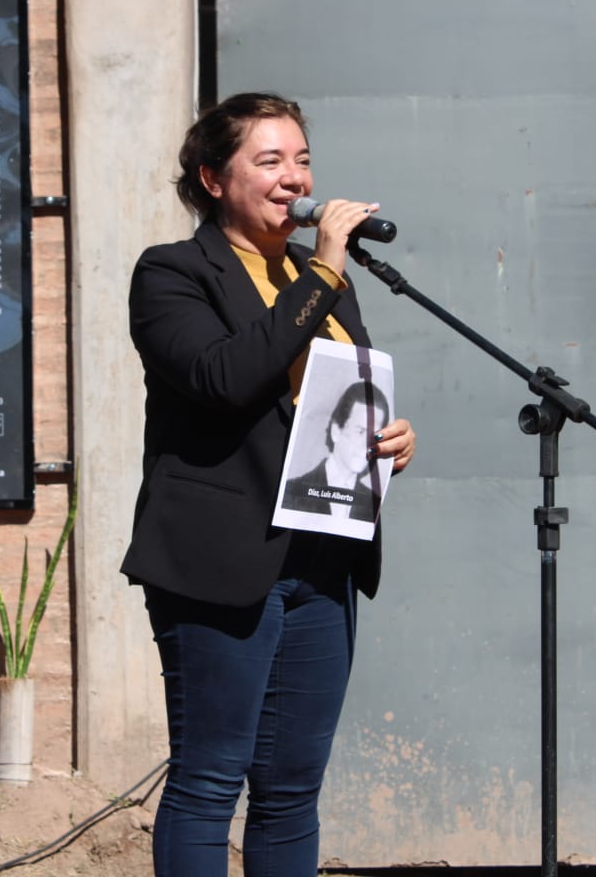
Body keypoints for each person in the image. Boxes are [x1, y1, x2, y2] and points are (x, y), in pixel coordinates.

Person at [121, 91, 417, 876]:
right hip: (221, 561)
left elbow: (332, 394)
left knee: (291, 790)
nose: (294, 178)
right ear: (215, 179)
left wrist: (389, 436)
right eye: (270, 160)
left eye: (303, 160)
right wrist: (321, 267)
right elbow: (227, 378)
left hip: (324, 559)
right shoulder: (174, 274)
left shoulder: (329, 285)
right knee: (211, 777)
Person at [281, 380, 391, 523]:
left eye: (374, 436)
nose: (367, 444)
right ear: (336, 431)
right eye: (360, 431)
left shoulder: (372, 502)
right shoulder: (292, 491)